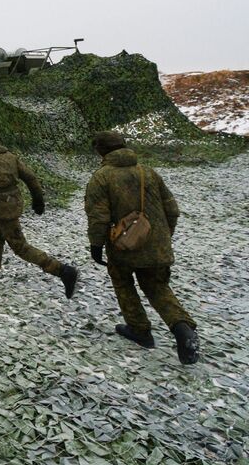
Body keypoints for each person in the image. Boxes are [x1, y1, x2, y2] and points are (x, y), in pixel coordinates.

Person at [84, 131, 199, 365]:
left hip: (123, 246)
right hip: (157, 244)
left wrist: (96, 245)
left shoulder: (101, 177)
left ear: (100, 151)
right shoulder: (148, 172)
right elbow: (172, 210)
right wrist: (164, 236)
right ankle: (182, 328)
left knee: (123, 282)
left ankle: (140, 330)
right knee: (158, 287)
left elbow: (98, 217)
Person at [0, 126, 78, 299]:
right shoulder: (10, 156)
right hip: (14, 202)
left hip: (2, 208)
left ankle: (63, 271)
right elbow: (30, 177)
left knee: (20, 247)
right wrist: (38, 199)